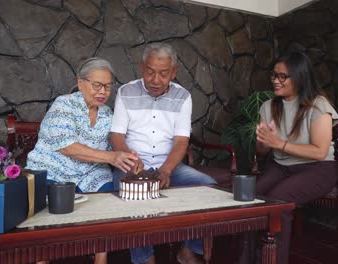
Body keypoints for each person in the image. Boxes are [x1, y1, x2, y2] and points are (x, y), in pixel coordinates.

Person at [110, 43, 217, 264]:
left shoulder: (183, 96)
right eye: (150, 72)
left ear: (174, 72)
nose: (155, 79)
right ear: (142, 68)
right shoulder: (125, 92)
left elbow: (181, 140)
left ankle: (189, 251)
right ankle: (145, 259)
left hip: (168, 165)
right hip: (132, 164)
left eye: (163, 73)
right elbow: (117, 136)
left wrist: (166, 170)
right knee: (131, 196)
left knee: (209, 187)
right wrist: (129, 158)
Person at [27, 57, 138, 264]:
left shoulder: (107, 114)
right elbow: (67, 146)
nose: (103, 91)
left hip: (90, 173)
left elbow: (114, 144)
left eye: (107, 86)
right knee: (48, 212)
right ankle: (41, 259)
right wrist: (112, 157)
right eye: (97, 85)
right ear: (80, 83)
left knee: (108, 200)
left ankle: (100, 257)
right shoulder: (64, 104)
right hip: (54, 170)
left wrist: (129, 156)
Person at [246, 51, 338, 264]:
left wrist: (279, 143)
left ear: (299, 78)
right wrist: (263, 141)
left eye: (282, 77)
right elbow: (262, 151)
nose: (276, 81)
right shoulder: (269, 106)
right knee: (251, 197)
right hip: (282, 166)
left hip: (318, 168)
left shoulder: (318, 105)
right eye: (274, 75)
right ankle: (248, 259)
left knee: (279, 199)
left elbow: (319, 150)